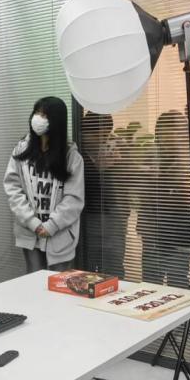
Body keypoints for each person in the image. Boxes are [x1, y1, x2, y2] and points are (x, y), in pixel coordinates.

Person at [3, 96, 84, 273]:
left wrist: (51, 225)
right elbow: (13, 188)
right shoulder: (21, 150)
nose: (38, 119)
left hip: (60, 234)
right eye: (37, 113)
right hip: (30, 232)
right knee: (34, 282)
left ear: (56, 121)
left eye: (44, 115)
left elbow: (74, 199)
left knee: (59, 283)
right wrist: (32, 222)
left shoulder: (71, 157)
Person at [136, 110, 190, 286]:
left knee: (178, 280)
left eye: (177, 133)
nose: (171, 138)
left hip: (179, 233)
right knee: (151, 280)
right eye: (166, 133)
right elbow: (141, 195)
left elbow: (188, 198)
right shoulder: (150, 156)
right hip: (152, 230)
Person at [81, 111, 127, 278]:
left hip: (113, 224)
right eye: (97, 135)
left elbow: (127, 189)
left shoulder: (116, 154)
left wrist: (122, 164)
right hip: (88, 224)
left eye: (106, 135)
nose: (102, 140)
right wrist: (98, 169)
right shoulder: (77, 157)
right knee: (86, 273)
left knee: (113, 271)